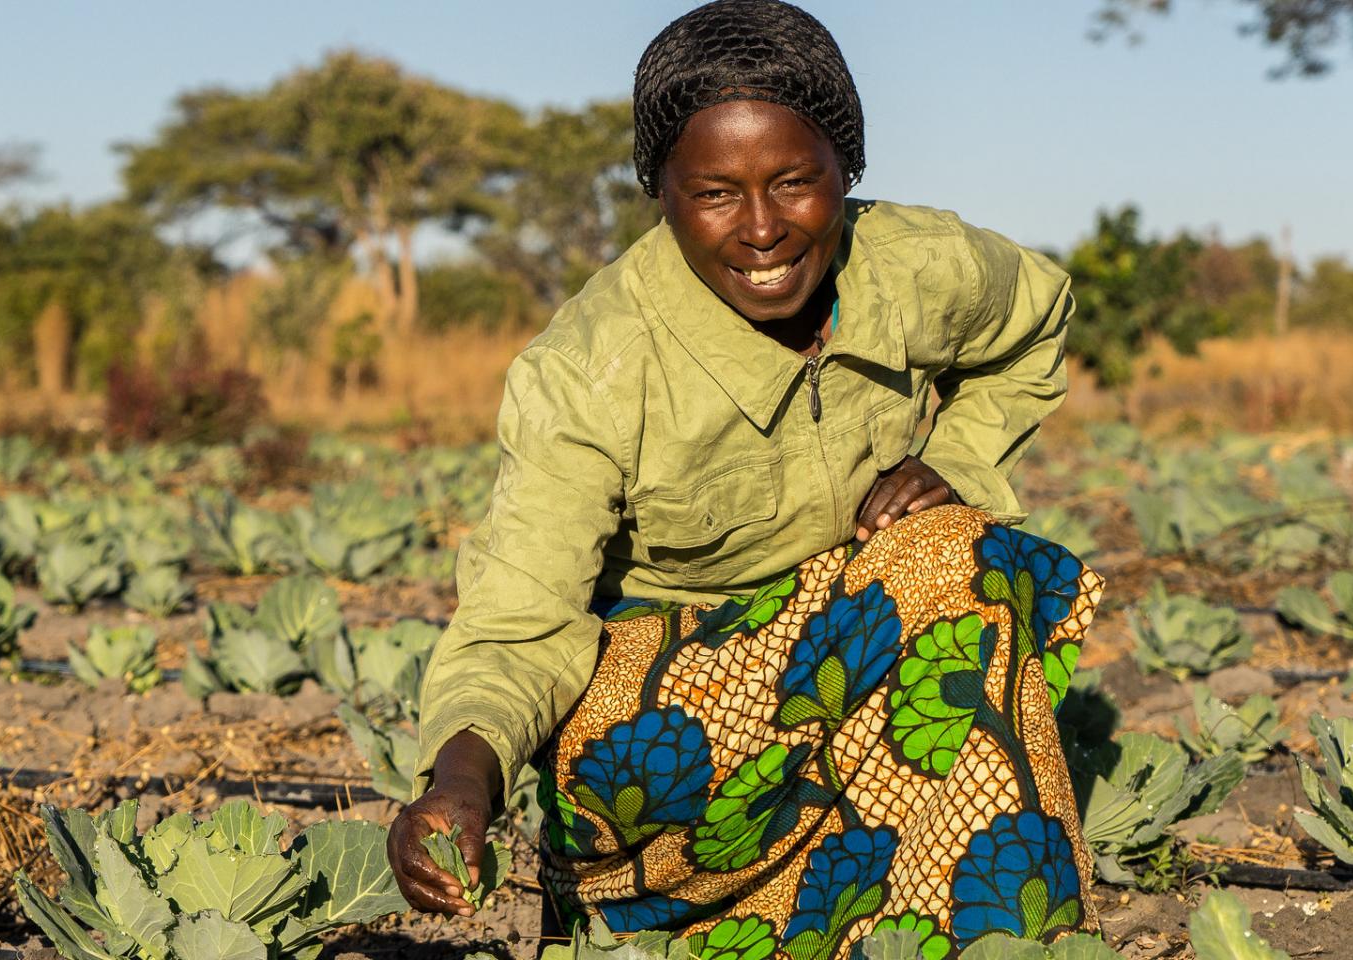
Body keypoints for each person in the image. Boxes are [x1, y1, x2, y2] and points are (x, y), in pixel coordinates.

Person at [385, 1, 1105, 957]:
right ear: (660, 192)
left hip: (834, 660)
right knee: (931, 572)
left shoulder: (920, 267)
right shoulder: (590, 369)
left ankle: (971, 936)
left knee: (955, 556)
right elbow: (521, 618)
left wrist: (958, 462)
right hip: (655, 745)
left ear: (845, 172)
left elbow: (1037, 321)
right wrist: (463, 777)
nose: (762, 230)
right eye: (715, 193)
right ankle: (681, 913)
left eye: (796, 183)